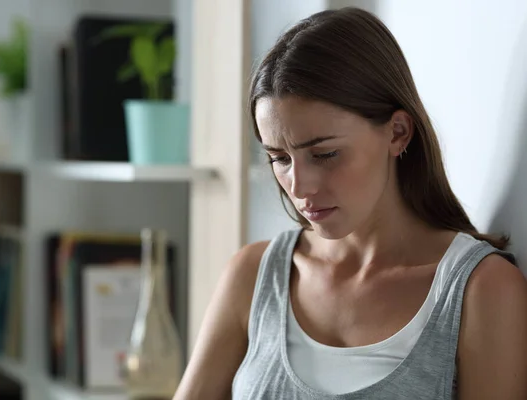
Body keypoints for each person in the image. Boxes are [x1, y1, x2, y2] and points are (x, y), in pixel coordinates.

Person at [174, 7, 527, 400]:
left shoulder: (481, 290)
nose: (299, 185)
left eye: (324, 154)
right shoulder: (253, 275)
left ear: (397, 132)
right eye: (279, 158)